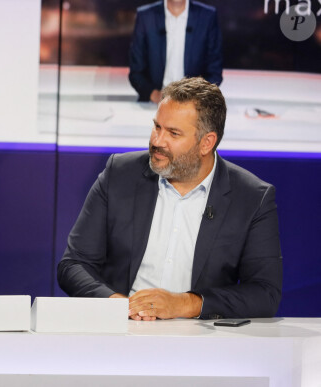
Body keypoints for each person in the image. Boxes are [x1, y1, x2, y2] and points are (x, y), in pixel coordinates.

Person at [58, 77, 282, 320]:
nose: (157, 141)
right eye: (157, 127)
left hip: (201, 342)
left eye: (173, 133)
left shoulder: (251, 197)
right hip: (122, 330)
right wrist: (118, 306)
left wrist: (186, 304)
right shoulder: (119, 174)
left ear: (206, 143)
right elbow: (74, 265)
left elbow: (265, 293)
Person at [128, 0, 223, 103]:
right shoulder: (146, 16)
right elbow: (136, 72)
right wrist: (153, 94)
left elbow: (214, 71)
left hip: (195, 105)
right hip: (153, 103)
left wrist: (194, 97)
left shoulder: (207, 16)